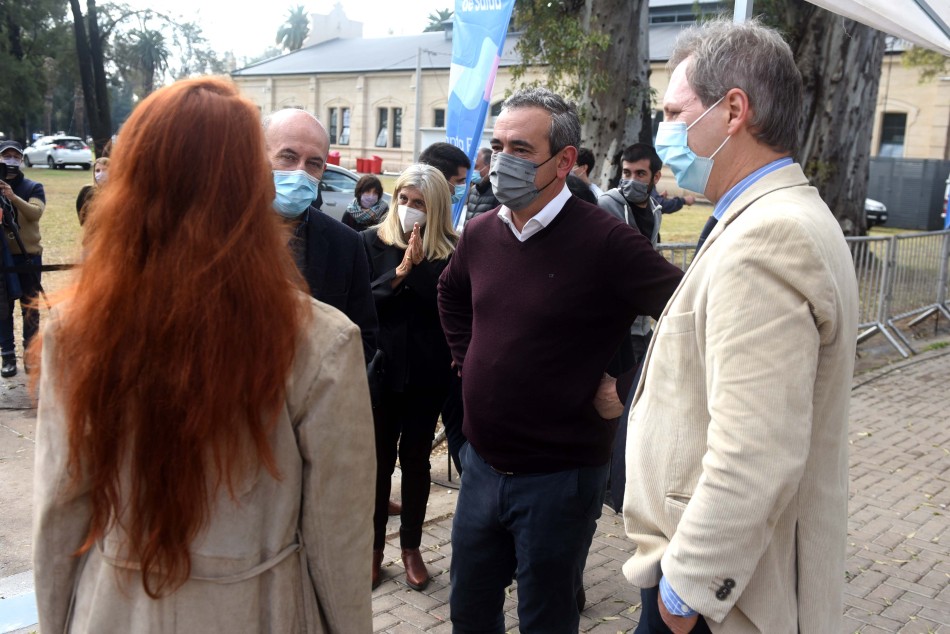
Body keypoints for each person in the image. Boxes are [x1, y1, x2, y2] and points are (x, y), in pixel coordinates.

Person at [31, 77, 375, 633]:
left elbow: (60, 512)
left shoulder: (78, 329)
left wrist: (55, 623)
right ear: (249, 181)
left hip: (115, 610)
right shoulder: (320, 339)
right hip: (261, 611)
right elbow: (339, 535)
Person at [619, 19, 859, 634]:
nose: (664, 131)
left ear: (733, 111)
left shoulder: (767, 237)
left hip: (725, 598)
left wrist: (686, 590)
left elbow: (756, 448)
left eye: (676, 112)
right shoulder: (773, 216)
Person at [437, 87, 684, 633]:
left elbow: (695, 318)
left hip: (560, 478)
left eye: (520, 148)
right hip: (480, 467)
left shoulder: (607, 243)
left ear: (564, 160)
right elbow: (450, 294)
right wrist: (467, 357)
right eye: (497, 144)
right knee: (469, 611)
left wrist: (627, 388)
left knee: (546, 616)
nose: (502, 160)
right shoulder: (480, 233)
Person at [361, 164, 458, 592]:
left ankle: (411, 547)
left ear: (435, 209)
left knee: (416, 459)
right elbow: (365, 301)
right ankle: (373, 549)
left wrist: (417, 269)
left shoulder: (451, 252)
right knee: (378, 463)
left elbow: (448, 306)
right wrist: (400, 271)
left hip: (426, 374)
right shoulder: (370, 242)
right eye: (403, 199)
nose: (408, 209)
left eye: (418, 203)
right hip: (382, 374)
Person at [263, 107, 378, 363]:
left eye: (313, 163)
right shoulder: (217, 232)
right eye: (288, 157)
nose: (300, 172)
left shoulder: (346, 245)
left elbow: (363, 339)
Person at [0, 140, 45, 378]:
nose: (10, 160)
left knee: (30, 307)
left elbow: (35, 213)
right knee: (3, 308)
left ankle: (31, 354)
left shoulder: (33, 186)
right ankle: (7, 356)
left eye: (14, 156)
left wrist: (12, 196)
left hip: (29, 256)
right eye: (5, 156)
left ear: (21, 159)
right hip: (2, 259)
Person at [464, 147, 499, 223]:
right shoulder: (473, 190)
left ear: (489, 167)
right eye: (471, 168)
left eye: (475, 167)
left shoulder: (498, 193)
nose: (473, 171)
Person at [75, 157, 110, 224]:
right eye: (97, 170)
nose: (101, 173)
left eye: (105, 170)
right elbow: (82, 218)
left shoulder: (117, 195)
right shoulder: (87, 192)